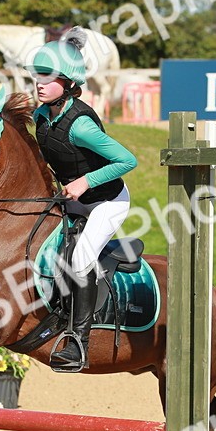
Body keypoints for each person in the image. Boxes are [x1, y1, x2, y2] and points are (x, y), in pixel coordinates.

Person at [29, 27, 137, 373]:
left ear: (69, 82)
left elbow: (127, 160)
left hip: (107, 201)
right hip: (74, 201)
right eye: (37, 76)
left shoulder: (81, 126)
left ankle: (79, 342)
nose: (39, 83)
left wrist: (84, 181)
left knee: (79, 260)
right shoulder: (42, 116)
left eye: (48, 77)